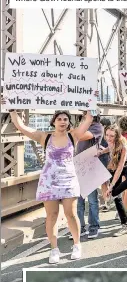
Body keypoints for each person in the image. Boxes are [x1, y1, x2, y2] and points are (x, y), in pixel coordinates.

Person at [6, 107, 93, 263]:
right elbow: (21, 127)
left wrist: (89, 106)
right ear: (54, 121)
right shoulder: (44, 137)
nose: (62, 121)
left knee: (70, 214)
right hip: (49, 182)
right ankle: (54, 249)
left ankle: (77, 245)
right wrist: (12, 110)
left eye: (65, 119)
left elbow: (88, 120)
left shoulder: (73, 136)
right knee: (51, 216)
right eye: (59, 119)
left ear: (68, 122)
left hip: (68, 180)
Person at [97, 124, 127, 237]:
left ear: (117, 136)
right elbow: (109, 148)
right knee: (117, 199)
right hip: (115, 165)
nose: (109, 138)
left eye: (112, 136)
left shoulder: (123, 145)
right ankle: (126, 225)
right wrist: (101, 152)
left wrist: (111, 187)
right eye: (107, 135)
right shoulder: (110, 142)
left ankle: (114, 193)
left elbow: (120, 168)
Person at [73, 110, 104, 240]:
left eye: (86, 112)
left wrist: (75, 130)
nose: (83, 113)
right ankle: (80, 227)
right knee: (78, 201)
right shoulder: (80, 126)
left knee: (92, 200)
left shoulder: (97, 127)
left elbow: (81, 136)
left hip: (90, 165)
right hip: (77, 165)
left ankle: (94, 227)